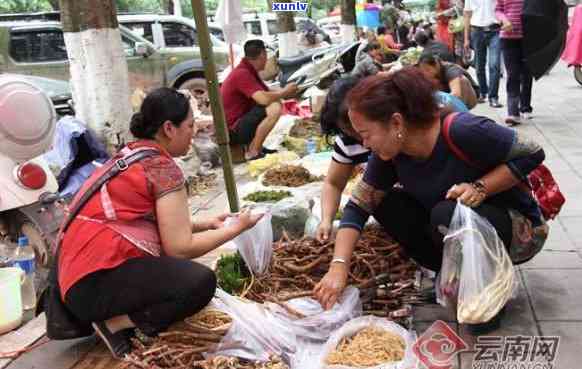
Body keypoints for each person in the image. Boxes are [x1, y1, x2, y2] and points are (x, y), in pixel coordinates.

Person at [313, 68, 547, 333]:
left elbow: (533, 151)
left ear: (397, 123)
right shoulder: (388, 155)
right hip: (456, 223)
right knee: (385, 203)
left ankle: (488, 287)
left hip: (518, 228)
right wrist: (338, 267)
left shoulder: (462, 130)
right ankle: (453, 279)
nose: (364, 144)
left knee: (446, 213)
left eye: (365, 134)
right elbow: (357, 206)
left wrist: (480, 187)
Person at [57, 88, 264, 358]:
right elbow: (180, 247)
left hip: (73, 281)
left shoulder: (132, 154)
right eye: (190, 126)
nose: (194, 132)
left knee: (176, 269)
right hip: (92, 286)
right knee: (199, 282)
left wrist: (205, 224)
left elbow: (146, 222)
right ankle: (115, 323)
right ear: (169, 128)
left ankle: (112, 313)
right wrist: (236, 228)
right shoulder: (162, 169)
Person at [315, 76, 469, 243]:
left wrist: (480, 187)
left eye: (361, 128)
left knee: (444, 213)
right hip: (412, 207)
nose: (359, 136)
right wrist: (326, 220)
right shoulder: (356, 145)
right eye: (348, 129)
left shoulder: (412, 132)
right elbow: (341, 189)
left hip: (447, 202)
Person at [221, 39, 298, 161]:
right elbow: (263, 99)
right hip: (232, 130)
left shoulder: (248, 70)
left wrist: (284, 92)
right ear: (263, 55)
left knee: (275, 101)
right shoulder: (242, 73)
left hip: (239, 124)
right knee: (274, 107)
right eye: (266, 56)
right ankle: (253, 151)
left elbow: (267, 92)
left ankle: (257, 147)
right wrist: (284, 92)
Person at [496, 0, 533, 126]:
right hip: (508, 38)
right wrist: (504, 20)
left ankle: (525, 106)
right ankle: (513, 113)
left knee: (527, 74)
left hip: (528, 37)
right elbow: (498, 9)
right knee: (512, 75)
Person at [464, 0, 503, 108]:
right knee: (479, 65)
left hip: (495, 31)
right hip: (477, 32)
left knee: (494, 65)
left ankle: (493, 97)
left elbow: (503, 8)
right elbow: (467, 15)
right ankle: (483, 92)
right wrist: (466, 39)